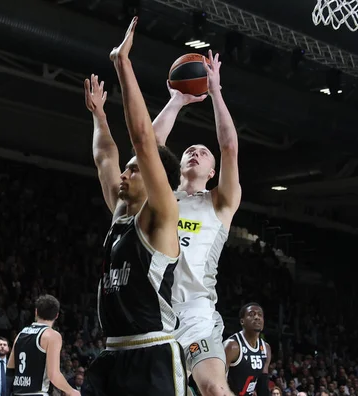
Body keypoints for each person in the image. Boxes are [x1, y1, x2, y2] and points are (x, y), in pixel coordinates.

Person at [81, 16, 185, 396]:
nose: (124, 174)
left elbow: (143, 139)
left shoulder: (160, 215)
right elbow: (105, 156)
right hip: (112, 353)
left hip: (151, 353)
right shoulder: (120, 214)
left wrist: (123, 65)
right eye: (126, 171)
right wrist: (99, 115)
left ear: (158, 180)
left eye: (134, 171)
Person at [153, 49, 242, 396]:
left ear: (212, 171)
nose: (195, 152)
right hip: (152, 314)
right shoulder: (161, 198)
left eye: (204, 152)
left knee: (215, 390)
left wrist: (216, 91)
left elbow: (230, 146)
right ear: (178, 166)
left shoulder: (219, 203)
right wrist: (176, 101)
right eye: (190, 150)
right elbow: (150, 145)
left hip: (195, 313)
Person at [6, 294, 79, 396]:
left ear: (36, 312)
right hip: (38, 393)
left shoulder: (21, 334)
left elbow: (10, 369)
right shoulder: (52, 335)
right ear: (57, 315)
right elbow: (53, 375)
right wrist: (71, 391)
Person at [224, 303, 271, 396]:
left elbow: (262, 384)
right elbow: (216, 380)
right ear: (242, 321)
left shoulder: (266, 348)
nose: (257, 317)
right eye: (252, 314)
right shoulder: (232, 346)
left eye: (260, 315)